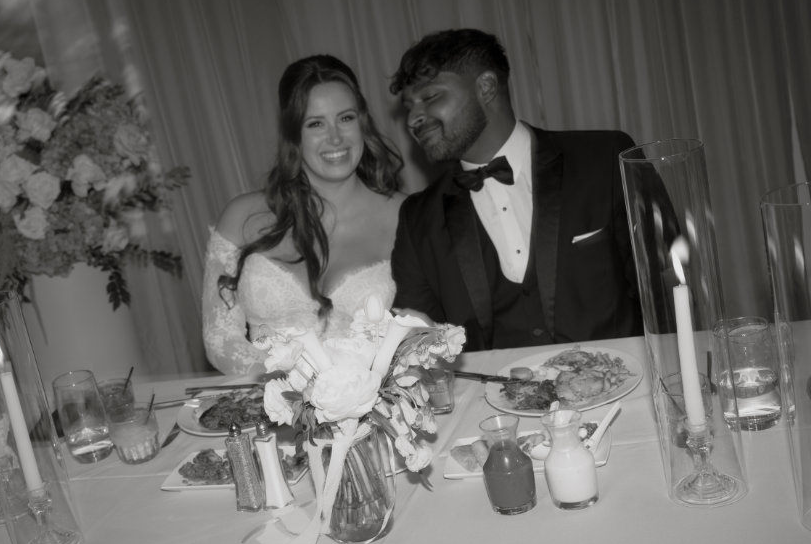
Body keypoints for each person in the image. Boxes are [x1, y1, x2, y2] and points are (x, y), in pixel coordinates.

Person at [389, 28, 643, 351]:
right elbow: (419, 346)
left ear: (486, 87)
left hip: (626, 393)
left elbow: (668, 288)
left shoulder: (606, 159)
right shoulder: (418, 219)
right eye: (409, 106)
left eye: (430, 97)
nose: (413, 118)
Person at [203, 54, 406, 375]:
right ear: (293, 135)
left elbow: (421, 331)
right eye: (315, 123)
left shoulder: (404, 216)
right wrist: (293, 389)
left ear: (363, 122)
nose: (335, 138)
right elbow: (220, 341)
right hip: (271, 411)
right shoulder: (241, 218)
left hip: (374, 412)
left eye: (346, 118)